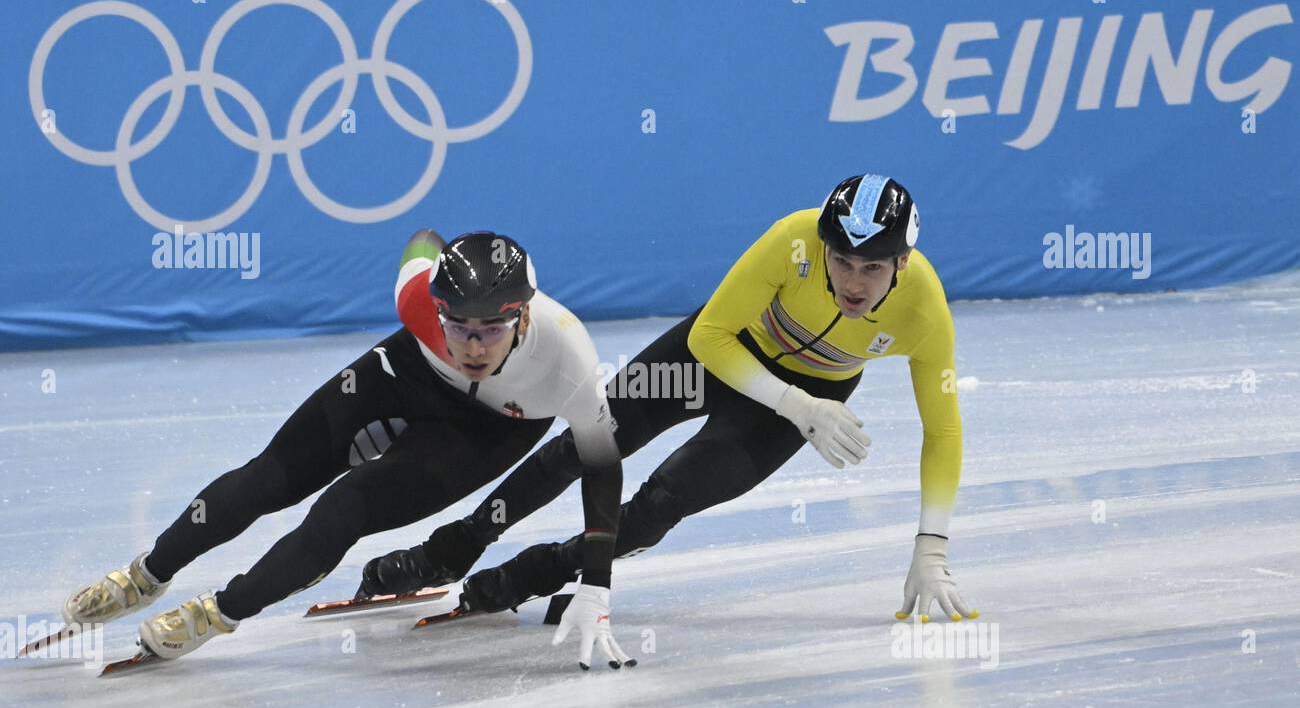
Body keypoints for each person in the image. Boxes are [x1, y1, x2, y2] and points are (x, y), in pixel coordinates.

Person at [360, 175, 978, 624]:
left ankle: (531, 575)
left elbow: (943, 431)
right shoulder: (792, 240)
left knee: (659, 506)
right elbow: (710, 336)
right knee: (584, 444)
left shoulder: (925, 311)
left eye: (872, 269)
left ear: (903, 262)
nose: (851, 281)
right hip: (713, 358)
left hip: (802, 398)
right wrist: (800, 406)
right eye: (841, 261)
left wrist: (932, 548)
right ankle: (450, 550)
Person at [58, 230, 635, 670]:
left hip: (490, 427)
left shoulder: (567, 357)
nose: (473, 344)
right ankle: (146, 574)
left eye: (491, 328)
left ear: (524, 314)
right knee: (268, 477)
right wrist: (434, 258)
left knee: (342, 508)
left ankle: (221, 612)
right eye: (457, 325)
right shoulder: (417, 302)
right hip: (406, 374)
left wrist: (597, 584)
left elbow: (602, 467)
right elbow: (422, 239)